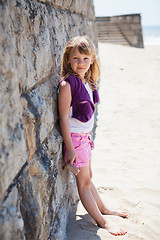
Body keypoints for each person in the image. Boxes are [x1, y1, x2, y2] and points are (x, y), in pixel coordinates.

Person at [58, 36, 127, 236]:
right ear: (68, 59)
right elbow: (63, 118)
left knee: (89, 178)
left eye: (85, 58)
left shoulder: (87, 81)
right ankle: (103, 221)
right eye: (76, 58)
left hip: (85, 138)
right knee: (84, 184)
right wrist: (70, 147)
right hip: (76, 141)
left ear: (92, 59)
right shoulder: (67, 85)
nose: (81, 63)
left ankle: (103, 208)